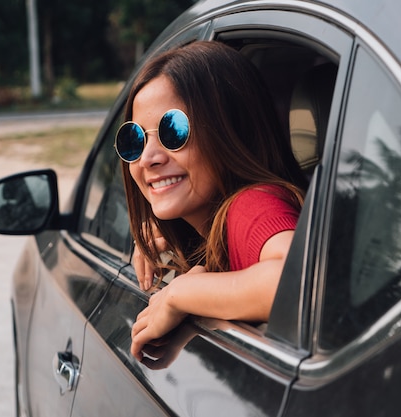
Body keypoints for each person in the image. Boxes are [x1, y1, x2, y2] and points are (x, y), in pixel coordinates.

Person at [115, 40, 308, 361]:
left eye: (173, 130)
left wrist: (179, 293)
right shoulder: (214, 222)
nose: (148, 158)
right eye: (134, 139)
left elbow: (296, 282)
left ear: (230, 129)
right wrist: (164, 232)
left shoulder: (252, 204)